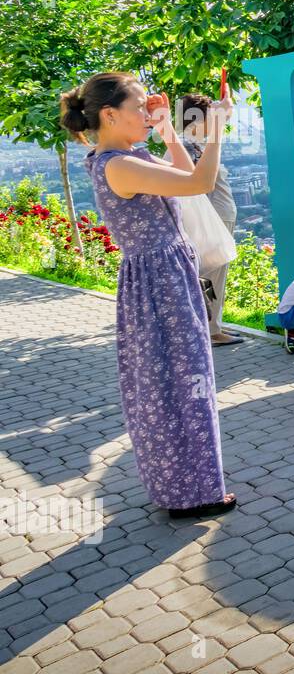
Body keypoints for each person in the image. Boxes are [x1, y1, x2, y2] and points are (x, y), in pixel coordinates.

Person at [63, 72, 237, 519]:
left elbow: (182, 172)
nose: (147, 110)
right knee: (179, 383)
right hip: (159, 280)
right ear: (109, 114)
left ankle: (190, 486)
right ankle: (191, 492)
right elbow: (199, 182)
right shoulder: (118, 164)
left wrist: (165, 129)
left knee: (177, 380)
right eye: (139, 106)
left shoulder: (124, 155)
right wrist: (215, 130)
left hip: (164, 275)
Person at [178, 93, 243, 346]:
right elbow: (196, 185)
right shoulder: (188, 146)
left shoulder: (197, 144)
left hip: (217, 218)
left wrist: (222, 111)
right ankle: (211, 330)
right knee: (211, 275)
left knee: (215, 273)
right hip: (211, 220)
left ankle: (212, 326)